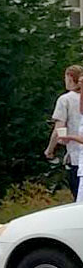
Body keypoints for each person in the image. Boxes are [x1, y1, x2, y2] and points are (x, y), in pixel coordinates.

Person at [44, 65, 83, 199]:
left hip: (77, 157)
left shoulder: (65, 99)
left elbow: (59, 129)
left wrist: (50, 149)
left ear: (70, 78)